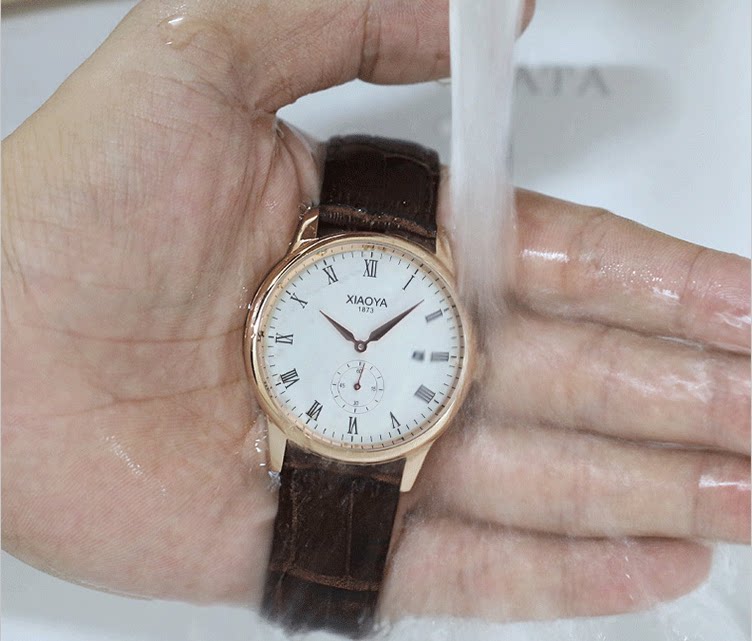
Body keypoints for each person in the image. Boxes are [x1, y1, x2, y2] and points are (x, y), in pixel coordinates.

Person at [2, 0, 749, 626]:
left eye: (370, 334)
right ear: (266, 313)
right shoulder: (292, 349)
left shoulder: (392, 360)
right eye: (353, 332)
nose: (361, 343)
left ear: (465, 364)